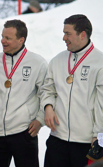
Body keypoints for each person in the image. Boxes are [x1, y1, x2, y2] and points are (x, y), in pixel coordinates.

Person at [0, 19, 48, 167]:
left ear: (21, 40)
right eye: (2, 36)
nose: (3, 41)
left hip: (24, 133)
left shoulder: (37, 63)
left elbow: (46, 94)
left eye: (7, 38)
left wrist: (40, 119)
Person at [40, 14, 103, 167]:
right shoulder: (57, 60)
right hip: (57, 140)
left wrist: (98, 137)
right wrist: (48, 107)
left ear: (82, 35)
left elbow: (101, 104)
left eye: (68, 34)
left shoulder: (99, 62)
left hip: (85, 143)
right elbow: (47, 89)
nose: (63, 38)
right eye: (63, 33)